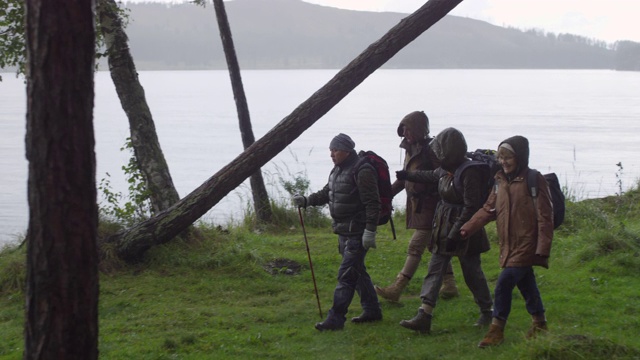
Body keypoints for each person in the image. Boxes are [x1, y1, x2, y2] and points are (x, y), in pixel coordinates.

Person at [397, 127, 493, 334]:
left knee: (472, 273)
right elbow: (431, 175)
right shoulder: (446, 170)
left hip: (465, 229)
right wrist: (408, 175)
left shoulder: (469, 172)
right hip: (443, 226)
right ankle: (424, 314)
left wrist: (455, 233)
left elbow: (471, 206)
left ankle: (487, 311)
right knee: (435, 270)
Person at [460, 135, 553, 348]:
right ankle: (540, 323)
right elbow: (488, 209)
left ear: (520, 157)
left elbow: (545, 216)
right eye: (501, 157)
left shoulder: (534, 179)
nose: (503, 161)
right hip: (508, 245)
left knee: (503, 284)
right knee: (526, 283)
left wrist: (543, 248)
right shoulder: (499, 181)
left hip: (527, 244)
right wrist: (467, 228)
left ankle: (496, 330)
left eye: (508, 157)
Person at [293, 133, 382, 331]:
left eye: (335, 150)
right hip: (343, 231)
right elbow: (328, 192)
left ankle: (335, 318)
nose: (332, 154)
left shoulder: (362, 170)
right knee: (357, 273)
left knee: (346, 275)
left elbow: (373, 203)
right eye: (330, 150)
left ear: (347, 150)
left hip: (357, 232)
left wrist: (370, 231)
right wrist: (307, 201)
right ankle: (372, 310)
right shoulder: (338, 169)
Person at [375, 111, 459, 303]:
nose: (406, 134)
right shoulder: (409, 149)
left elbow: (442, 174)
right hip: (417, 205)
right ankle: (450, 285)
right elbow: (405, 178)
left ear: (419, 129)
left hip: (432, 204)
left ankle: (397, 288)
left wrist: (417, 180)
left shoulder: (432, 149)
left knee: (416, 246)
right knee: (433, 245)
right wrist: (385, 195)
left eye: (409, 129)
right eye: (403, 130)